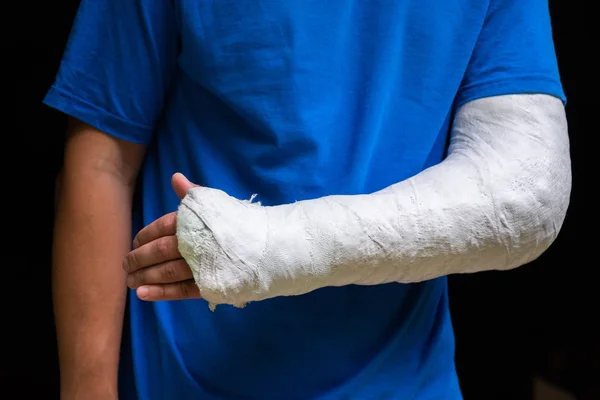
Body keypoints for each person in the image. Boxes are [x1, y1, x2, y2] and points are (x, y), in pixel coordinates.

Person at [45, 0, 571, 399]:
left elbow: (524, 193)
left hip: (402, 380)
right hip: (184, 378)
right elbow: (102, 162)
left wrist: (267, 246)